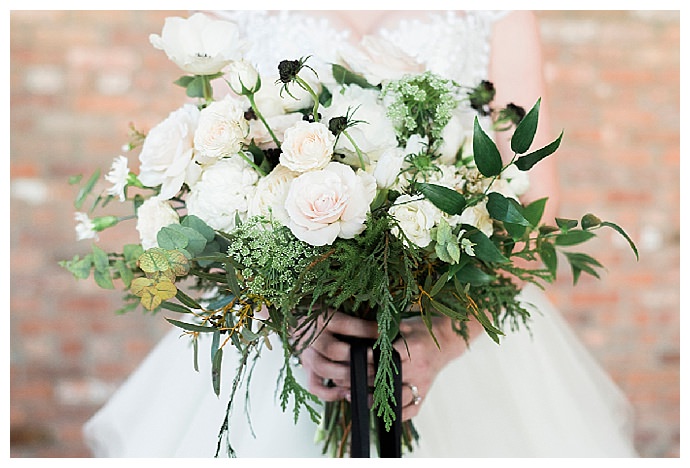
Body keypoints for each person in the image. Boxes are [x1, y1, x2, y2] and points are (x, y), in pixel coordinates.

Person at [82, 10, 639, 457]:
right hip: (292, 325)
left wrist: (446, 342)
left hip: (450, 314)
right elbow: (217, 173)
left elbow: (536, 198)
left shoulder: (501, 12)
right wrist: (290, 323)